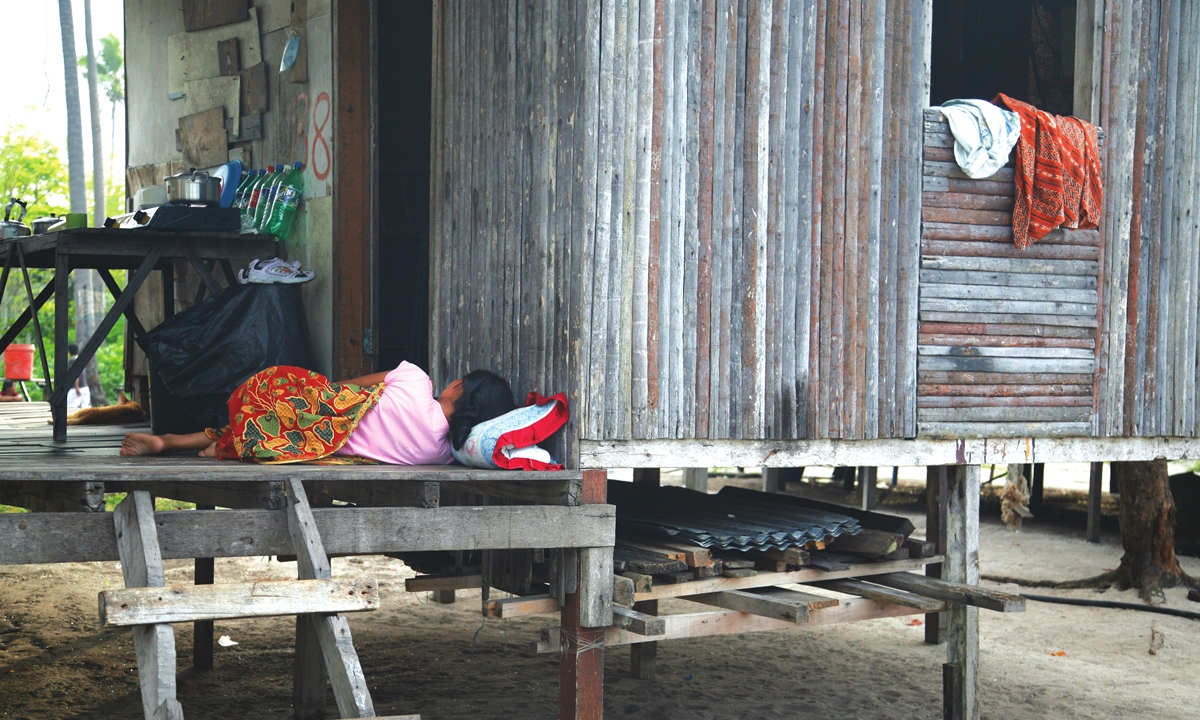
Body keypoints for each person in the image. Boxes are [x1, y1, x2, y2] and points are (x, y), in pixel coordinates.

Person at [120, 362, 517, 464]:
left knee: (289, 403)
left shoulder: (415, 380)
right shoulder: (444, 453)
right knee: (279, 427)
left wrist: (319, 403)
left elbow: (347, 388)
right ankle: (181, 442)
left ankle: (170, 440)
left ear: (458, 387)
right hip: (313, 448)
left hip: (314, 425)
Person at [65, 344, 91, 410]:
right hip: (85, 387)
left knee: (70, 407)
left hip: (77, 388)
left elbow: (75, 375)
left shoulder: (72, 361)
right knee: (85, 408)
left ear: (69, 352)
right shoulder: (81, 359)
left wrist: (77, 388)